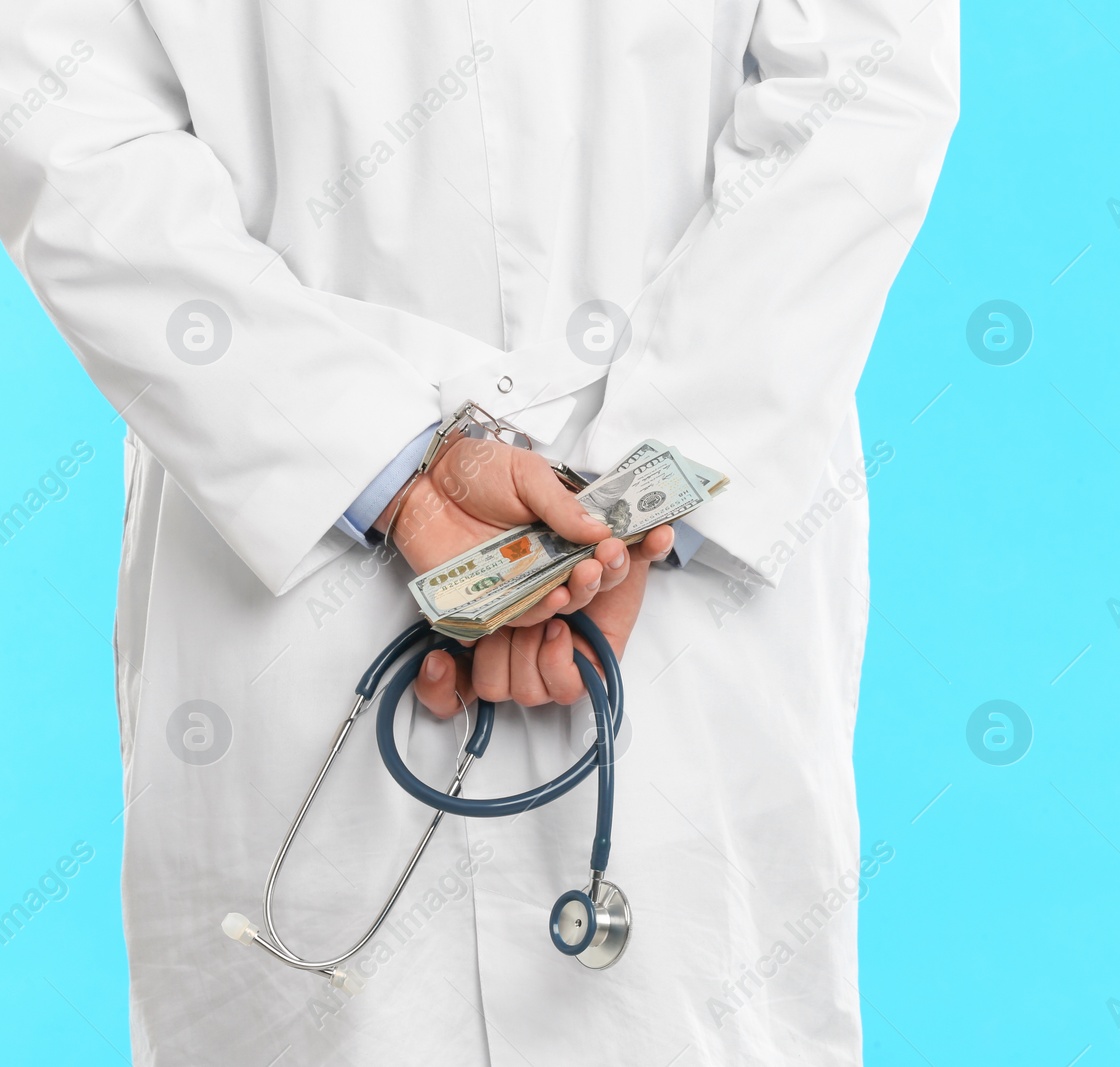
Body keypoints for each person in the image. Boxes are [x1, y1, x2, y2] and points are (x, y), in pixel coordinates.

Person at [0, 1, 957, 1062]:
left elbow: (865, 76)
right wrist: (395, 471)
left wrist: (632, 495)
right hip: (306, 558)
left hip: (673, 589)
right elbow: (61, 120)